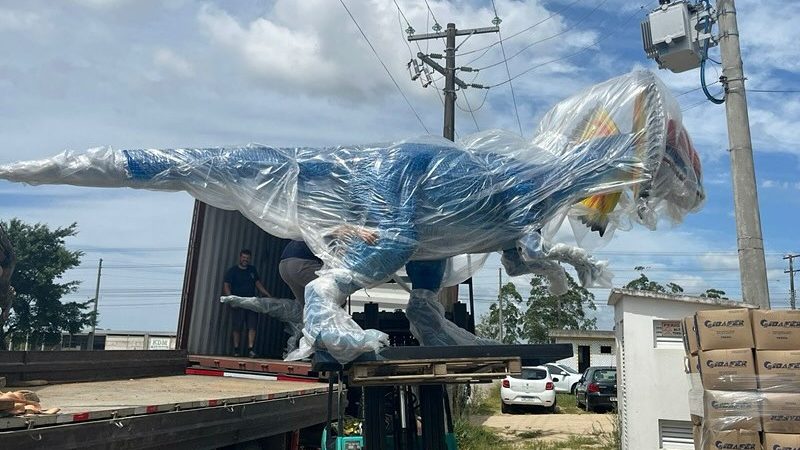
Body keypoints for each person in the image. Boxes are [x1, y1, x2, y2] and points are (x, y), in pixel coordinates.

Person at [223, 249, 271, 357]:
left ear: (250, 259)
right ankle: (236, 350)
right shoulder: (233, 271)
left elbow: (258, 284)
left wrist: (268, 295)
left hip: (251, 303)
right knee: (237, 327)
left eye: (247, 258)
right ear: (240, 258)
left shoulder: (252, 270)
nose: (245, 260)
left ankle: (251, 349)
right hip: (238, 303)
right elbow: (226, 285)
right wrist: (231, 299)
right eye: (244, 257)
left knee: (252, 326)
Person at [278, 240, 323, 304]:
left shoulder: (305, 233)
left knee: (306, 303)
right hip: (300, 264)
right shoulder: (328, 232)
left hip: (283, 266)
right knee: (331, 289)